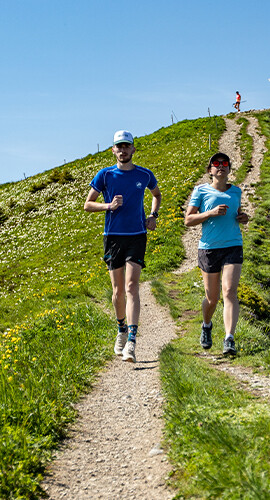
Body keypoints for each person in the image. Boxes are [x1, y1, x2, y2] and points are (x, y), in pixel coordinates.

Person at [84, 130, 161, 363]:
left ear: (133, 149)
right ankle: (121, 330)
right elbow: (88, 205)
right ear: (113, 150)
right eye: (119, 146)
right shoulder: (105, 175)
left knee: (131, 287)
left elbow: (156, 194)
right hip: (113, 237)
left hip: (137, 235)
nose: (123, 150)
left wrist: (153, 215)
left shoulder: (144, 174)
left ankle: (132, 342)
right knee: (117, 291)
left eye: (127, 146)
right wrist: (108, 206)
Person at [184, 152, 249, 356]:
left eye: (225, 163)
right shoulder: (201, 191)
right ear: (210, 170)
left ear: (229, 169)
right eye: (216, 163)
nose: (220, 166)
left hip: (233, 245)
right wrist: (210, 213)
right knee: (212, 298)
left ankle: (229, 338)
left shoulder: (236, 191)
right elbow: (188, 220)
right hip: (209, 247)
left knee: (229, 291)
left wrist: (243, 217)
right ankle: (206, 325)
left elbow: (238, 214)